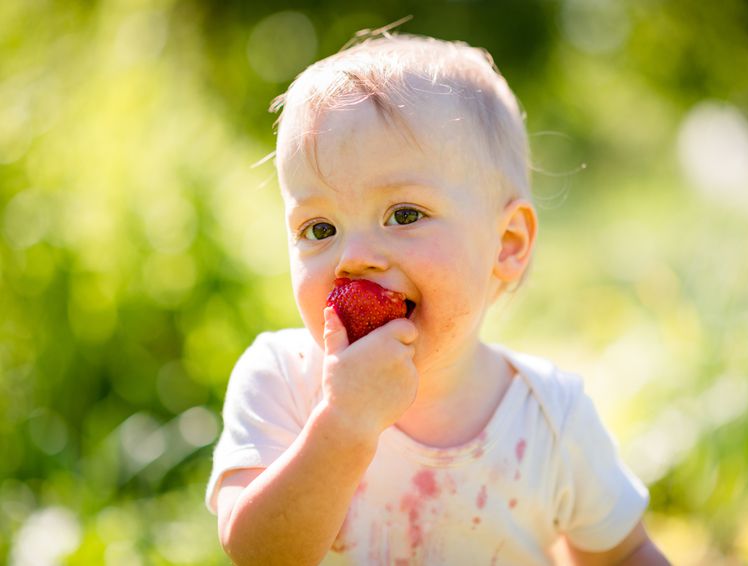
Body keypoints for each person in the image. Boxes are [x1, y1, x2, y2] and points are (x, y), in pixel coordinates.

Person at [205, 31, 669, 565]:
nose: (353, 257)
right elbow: (259, 554)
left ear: (507, 244)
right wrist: (343, 425)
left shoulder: (551, 418)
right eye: (318, 227)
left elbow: (626, 552)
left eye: (404, 215)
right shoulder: (283, 381)